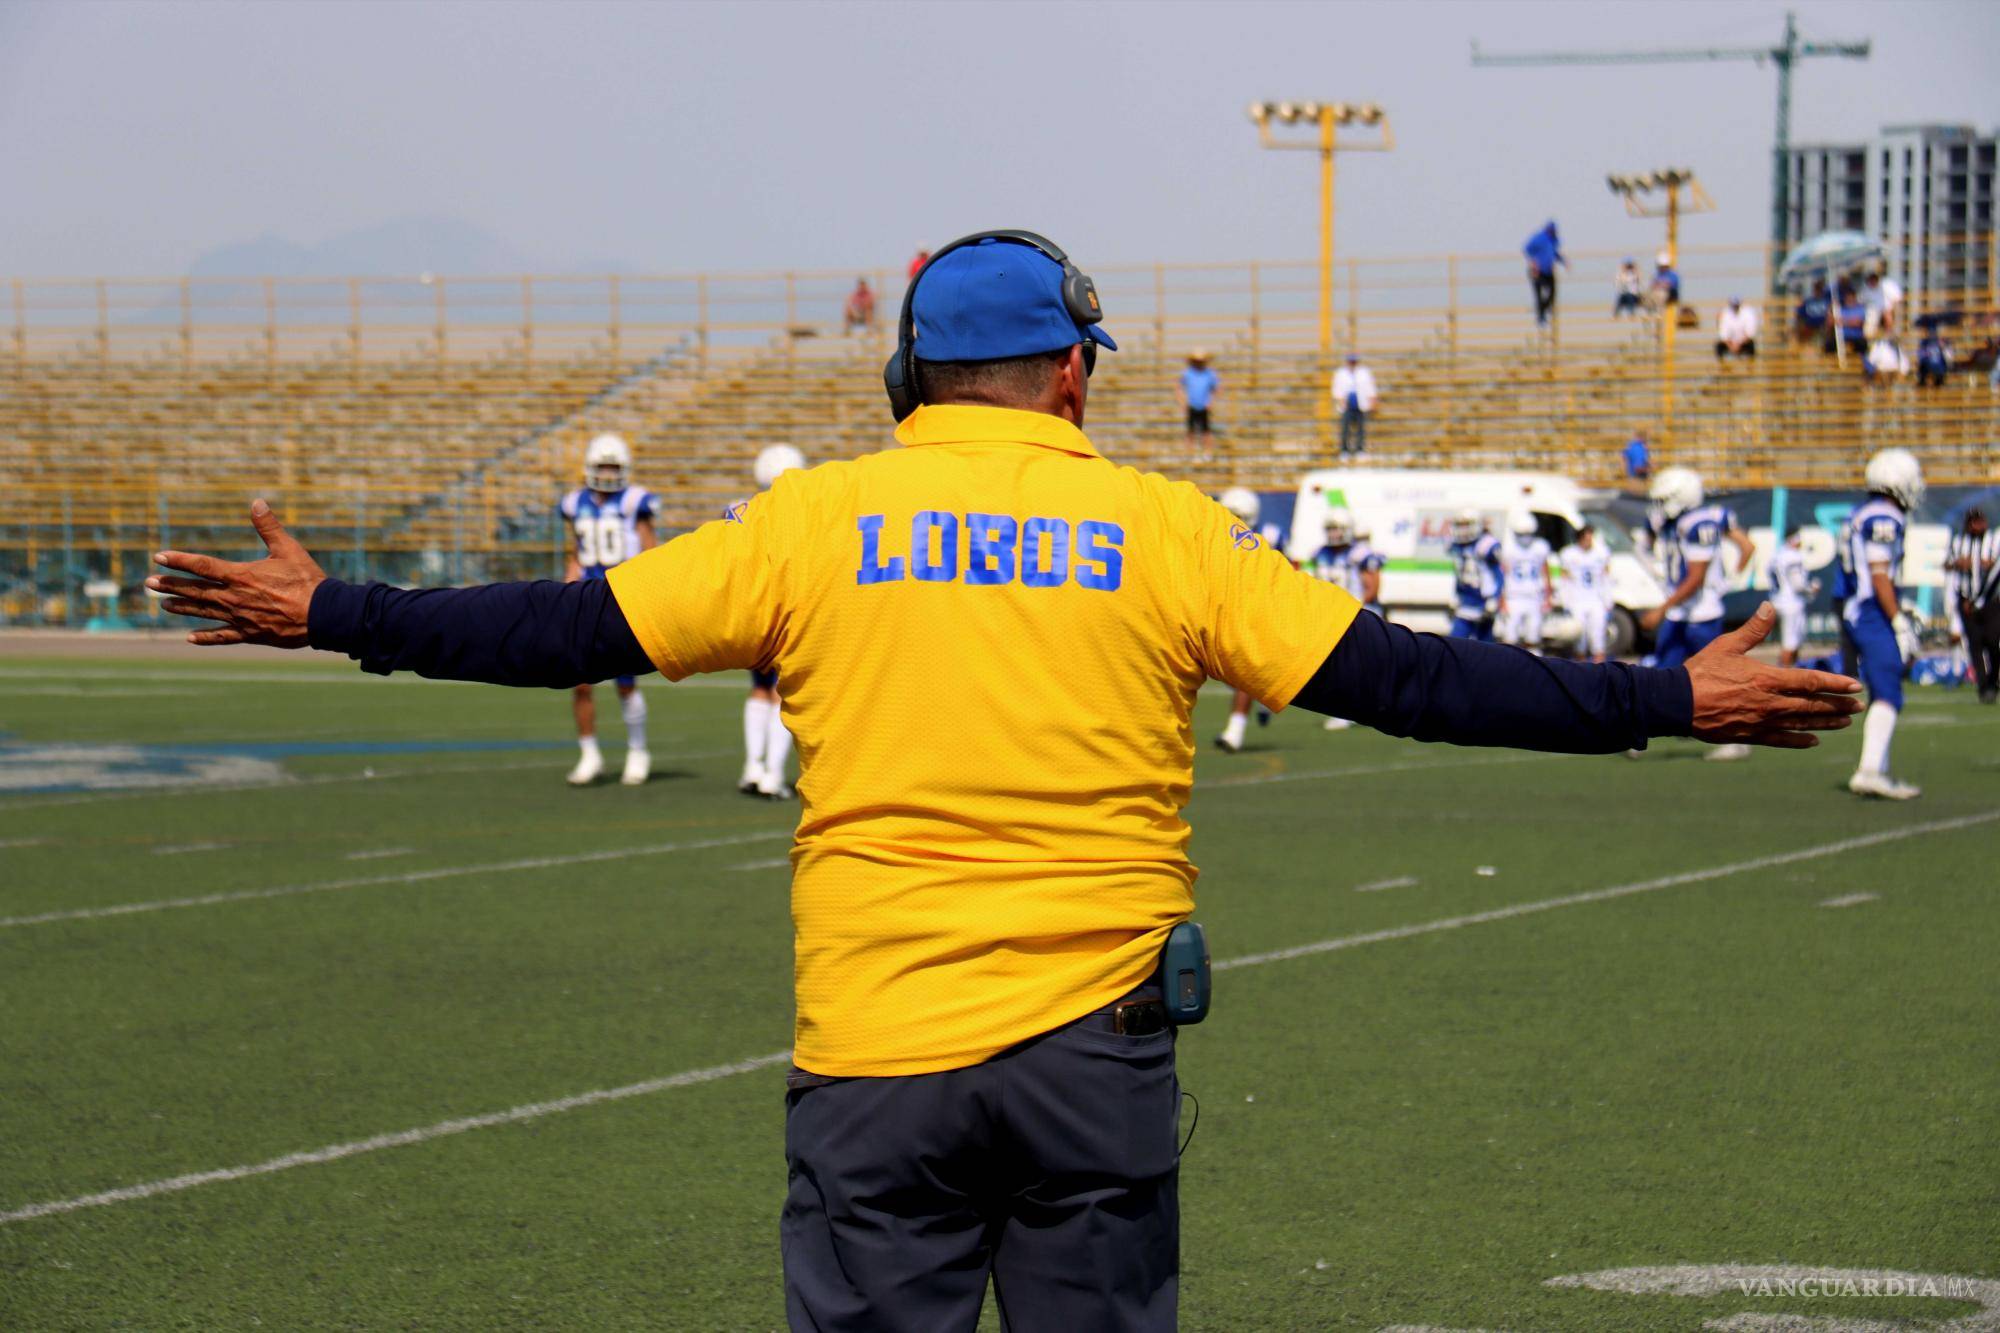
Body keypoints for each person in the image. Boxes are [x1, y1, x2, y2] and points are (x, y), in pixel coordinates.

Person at [147, 228, 1861, 1331]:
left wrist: (338, 610)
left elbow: (554, 624)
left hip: (874, 1052)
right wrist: (1659, 696)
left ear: (906, 383)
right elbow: (1410, 677)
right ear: (1073, 371)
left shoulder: (811, 521)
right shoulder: (1158, 525)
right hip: (1091, 1047)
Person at [1638, 465, 1756, 762]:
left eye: (1665, 499)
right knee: (1663, 673)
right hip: (1681, 611)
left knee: (1716, 676)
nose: (1660, 506)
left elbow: (1696, 578)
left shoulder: (1699, 523)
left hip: (1701, 612)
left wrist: (1661, 609)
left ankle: (1738, 736)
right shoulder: (1673, 522)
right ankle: (1641, 730)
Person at [558, 432, 656, 786]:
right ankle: (590, 754)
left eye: (615, 467)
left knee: (626, 683)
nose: (610, 473)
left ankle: (638, 750)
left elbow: (649, 547)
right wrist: (570, 579)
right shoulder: (574, 503)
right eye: (604, 467)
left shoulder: (634, 501)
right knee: (580, 682)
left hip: (622, 598)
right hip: (586, 598)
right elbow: (577, 550)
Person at [1841, 448, 1927, 799]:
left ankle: (1877, 768)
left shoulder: (1863, 513)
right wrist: (1898, 621)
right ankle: (1871, 770)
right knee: (1889, 689)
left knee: (1883, 690)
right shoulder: (1883, 516)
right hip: (1871, 612)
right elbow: (1878, 576)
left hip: (1861, 609)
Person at [739, 443, 806, 798]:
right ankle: (772, 775)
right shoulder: (801, 513)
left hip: (753, 610)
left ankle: (752, 766)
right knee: (781, 693)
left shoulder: (745, 511)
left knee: (760, 689)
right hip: (785, 610)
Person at [1213, 486, 1279, 753]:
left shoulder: (1270, 536)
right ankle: (1266, 693)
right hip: (1224, 607)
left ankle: (1234, 731)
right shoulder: (1211, 533)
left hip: (1256, 608)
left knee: (1245, 672)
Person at [1308, 507, 1379, 730]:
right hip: (1332, 615)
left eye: (1338, 529)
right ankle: (1350, 710)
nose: (1335, 534)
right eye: (1331, 529)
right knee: (1338, 664)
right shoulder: (1320, 553)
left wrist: (1355, 607)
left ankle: (1353, 711)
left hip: (1359, 614)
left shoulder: (1360, 554)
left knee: (1360, 665)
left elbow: (1373, 587)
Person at [1944, 508, 2000, 704]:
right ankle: (1983, 687)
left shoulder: (1994, 539)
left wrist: (1982, 564)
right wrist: (1960, 563)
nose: (1979, 525)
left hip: (1991, 602)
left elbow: (1993, 565)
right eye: (1974, 521)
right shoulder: (1958, 542)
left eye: (1981, 520)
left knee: (1993, 642)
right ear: (1968, 524)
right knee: (1974, 645)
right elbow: (1948, 563)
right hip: (1966, 601)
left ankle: (1993, 681)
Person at [1496, 510, 1553, 653]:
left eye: (1529, 534)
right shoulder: (1508, 548)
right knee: (1510, 638)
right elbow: (1502, 574)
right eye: (1522, 534)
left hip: (1534, 596)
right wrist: (1501, 599)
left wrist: (1548, 596)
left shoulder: (1540, 547)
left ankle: (1534, 670)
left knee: (1533, 638)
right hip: (1514, 597)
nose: (1526, 538)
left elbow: (1545, 571)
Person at [1558, 524, 1613, 662]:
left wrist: (1608, 600)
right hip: (1577, 600)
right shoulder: (1568, 554)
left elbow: (1606, 577)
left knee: (1598, 640)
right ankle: (1582, 675)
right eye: (1586, 537)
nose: (1588, 541)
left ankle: (1600, 673)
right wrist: (1566, 602)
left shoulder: (1602, 553)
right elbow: (1564, 580)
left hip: (1596, 600)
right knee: (1579, 641)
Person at [1446, 508, 1501, 642]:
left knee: (1485, 647)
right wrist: (1456, 595)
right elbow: (1459, 575)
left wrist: (1494, 598)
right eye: (1460, 525)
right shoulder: (1456, 545)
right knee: (1455, 643)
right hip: (1466, 601)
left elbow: (1498, 574)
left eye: (1466, 525)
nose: (1462, 530)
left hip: (1483, 600)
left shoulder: (1486, 545)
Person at [1768, 527, 1819, 669]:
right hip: (1790, 603)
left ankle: (1791, 673)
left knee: (1793, 641)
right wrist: (1812, 588)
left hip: (1777, 600)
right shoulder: (1792, 555)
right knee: (1790, 643)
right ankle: (1781, 678)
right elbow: (1798, 584)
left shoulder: (1776, 555)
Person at [1330, 352, 1377, 456]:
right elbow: (1336, 388)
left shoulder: (1364, 372)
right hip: (1346, 404)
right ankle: (1344, 449)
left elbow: (1370, 387)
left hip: (1360, 402)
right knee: (1345, 428)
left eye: (1354, 361)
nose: (1352, 363)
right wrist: (1340, 400)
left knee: (1361, 428)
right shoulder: (1340, 373)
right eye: (1351, 361)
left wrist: (1372, 401)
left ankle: (1360, 449)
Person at [1178, 350, 1219, 458]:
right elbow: (1179, 387)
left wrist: (1210, 402)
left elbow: (1215, 389)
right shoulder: (1188, 373)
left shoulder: (1209, 374)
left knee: (1206, 431)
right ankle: (1189, 454)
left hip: (1204, 406)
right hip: (1191, 405)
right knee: (1190, 431)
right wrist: (1183, 402)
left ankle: (1207, 453)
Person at [1523, 221, 1565, 327]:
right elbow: (1527, 249)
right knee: (1539, 295)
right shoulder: (1539, 238)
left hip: (1548, 271)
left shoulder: (1553, 240)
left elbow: (1554, 254)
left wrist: (1563, 261)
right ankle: (1540, 318)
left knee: (1552, 293)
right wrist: (1534, 264)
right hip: (1537, 271)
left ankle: (1543, 311)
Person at [1715, 297, 1758, 361]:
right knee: (1719, 346)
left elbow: (1750, 334)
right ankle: (1723, 368)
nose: (1735, 307)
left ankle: (1751, 367)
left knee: (1751, 345)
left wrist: (1739, 344)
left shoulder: (1748, 313)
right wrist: (1731, 346)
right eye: (1733, 305)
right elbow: (1724, 335)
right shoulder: (1725, 314)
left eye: (1736, 305)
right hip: (1730, 343)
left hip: (1743, 343)